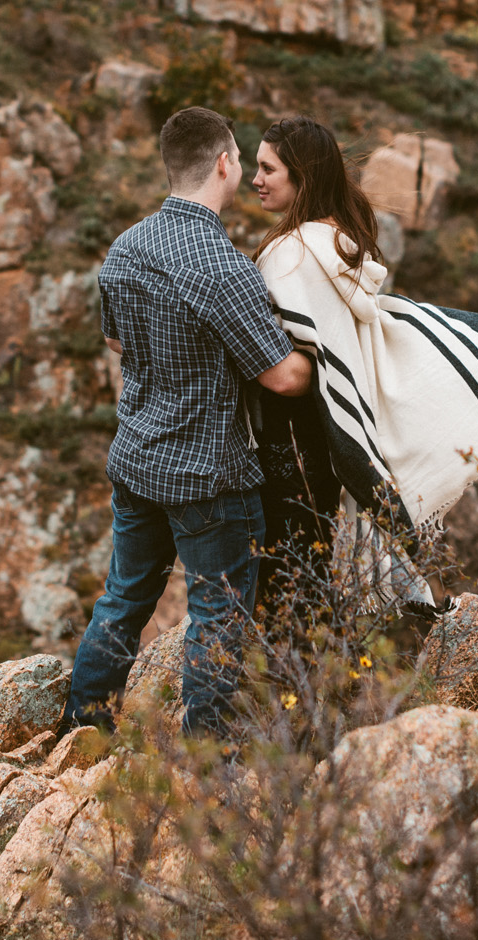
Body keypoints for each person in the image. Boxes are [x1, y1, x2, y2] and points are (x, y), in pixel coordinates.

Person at [248, 116, 478, 613]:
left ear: (301, 176)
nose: (256, 179)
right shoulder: (340, 242)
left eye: (268, 169)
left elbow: (302, 365)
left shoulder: (289, 254)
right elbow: (341, 354)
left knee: (283, 591)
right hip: (322, 454)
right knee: (311, 581)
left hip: (290, 446)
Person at [61, 106, 314, 737]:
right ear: (224, 164)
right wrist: (332, 358)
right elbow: (282, 377)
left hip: (138, 460)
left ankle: (80, 732)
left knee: (123, 600)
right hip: (209, 475)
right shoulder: (222, 266)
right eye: (243, 161)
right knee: (217, 617)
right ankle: (208, 761)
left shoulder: (125, 246)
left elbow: (117, 342)